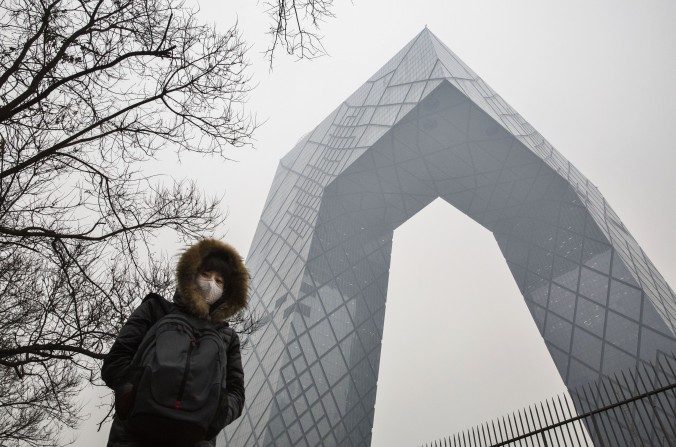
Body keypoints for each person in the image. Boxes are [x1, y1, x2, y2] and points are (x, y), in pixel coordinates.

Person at [101, 238, 250, 446]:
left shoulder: (228, 337)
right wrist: (131, 394)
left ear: (227, 292)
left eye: (219, 281)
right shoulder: (155, 309)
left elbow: (236, 392)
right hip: (134, 436)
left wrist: (218, 415)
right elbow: (116, 359)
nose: (211, 284)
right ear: (191, 276)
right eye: (206, 275)